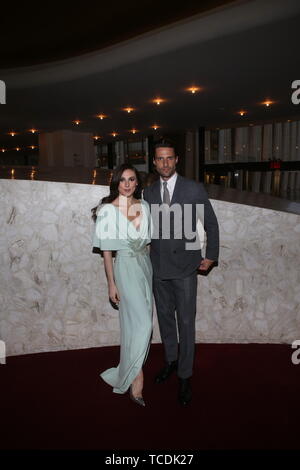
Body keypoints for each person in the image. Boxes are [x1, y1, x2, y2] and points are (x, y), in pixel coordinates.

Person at [143, 139, 219, 406]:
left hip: (186, 268)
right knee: (165, 321)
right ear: (154, 162)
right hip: (159, 269)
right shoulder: (149, 192)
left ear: (177, 160)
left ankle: (185, 375)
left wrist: (211, 255)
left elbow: (211, 223)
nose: (165, 163)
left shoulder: (193, 188)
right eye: (160, 159)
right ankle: (171, 362)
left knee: (186, 324)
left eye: (169, 158)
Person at [92, 163, 153, 406]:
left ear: (137, 183)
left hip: (144, 268)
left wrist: (150, 270)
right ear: (116, 183)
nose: (127, 184)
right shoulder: (108, 210)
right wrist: (111, 284)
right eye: (122, 180)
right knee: (144, 324)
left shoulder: (145, 206)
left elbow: (147, 244)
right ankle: (136, 377)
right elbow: (107, 251)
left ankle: (129, 367)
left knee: (136, 324)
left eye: (131, 180)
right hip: (125, 269)